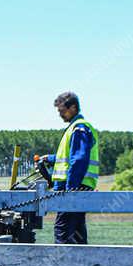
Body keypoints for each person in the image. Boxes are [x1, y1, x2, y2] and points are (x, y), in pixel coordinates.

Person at [36, 91, 100, 244]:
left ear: (72, 108)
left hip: (72, 189)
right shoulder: (78, 128)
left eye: (62, 111)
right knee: (76, 232)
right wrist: (50, 159)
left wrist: (71, 189)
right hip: (78, 187)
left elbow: (78, 160)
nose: (60, 115)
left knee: (63, 232)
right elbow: (70, 157)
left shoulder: (79, 128)